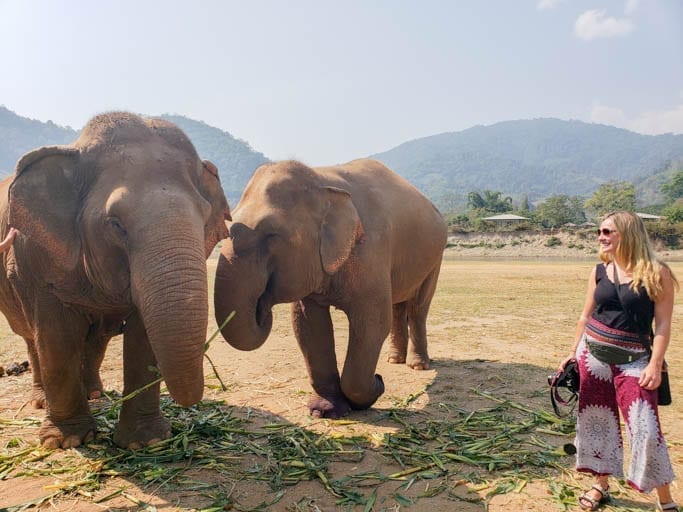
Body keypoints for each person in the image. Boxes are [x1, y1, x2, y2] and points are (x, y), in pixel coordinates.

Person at [558, 211, 679, 511]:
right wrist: (573, 351)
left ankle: (665, 500)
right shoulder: (600, 270)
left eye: (607, 231)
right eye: (600, 231)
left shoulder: (657, 273)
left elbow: (663, 325)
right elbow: (585, 315)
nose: (601, 236)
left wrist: (655, 365)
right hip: (593, 357)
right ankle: (601, 485)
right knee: (597, 423)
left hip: (634, 361)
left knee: (647, 429)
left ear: (628, 234)